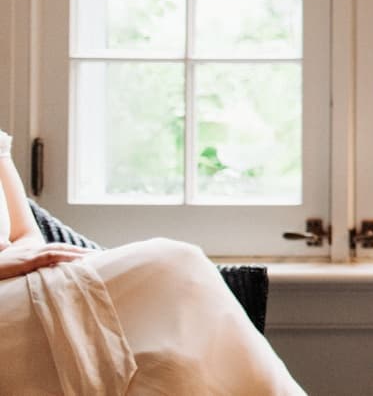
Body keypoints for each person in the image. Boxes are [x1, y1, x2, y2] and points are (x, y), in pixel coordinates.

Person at [0, 129, 306, 396]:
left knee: (177, 269)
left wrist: (31, 257)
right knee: (168, 271)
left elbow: (26, 234)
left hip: (28, 279)